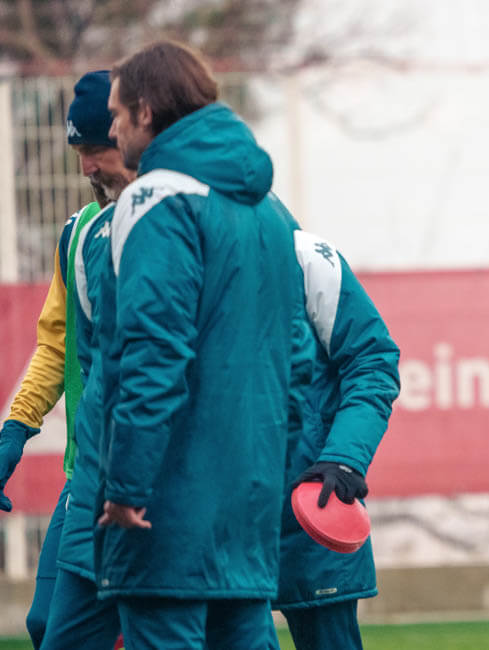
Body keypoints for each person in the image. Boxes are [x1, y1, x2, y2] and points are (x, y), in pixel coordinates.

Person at [96, 40, 298, 648]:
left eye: (116, 114)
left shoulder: (153, 198)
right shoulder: (270, 212)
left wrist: (126, 487)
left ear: (146, 111)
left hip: (169, 503)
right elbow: (290, 358)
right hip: (250, 505)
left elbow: (153, 354)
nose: (111, 130)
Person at [0, 70, 133, 649]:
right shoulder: (78, 234)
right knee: (44, 624)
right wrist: (15, 428)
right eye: (78, 152)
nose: (86, 168)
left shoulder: (184, 223)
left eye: (96, 149)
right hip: (88, 475)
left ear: (135, 133)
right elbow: (56, 345)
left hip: (156, 482)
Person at [273, 213, 401, 650]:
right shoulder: (159, 252)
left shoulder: (305, 255)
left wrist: (343, 459)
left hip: (311, 499)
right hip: (210, 511)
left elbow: (372, 361)